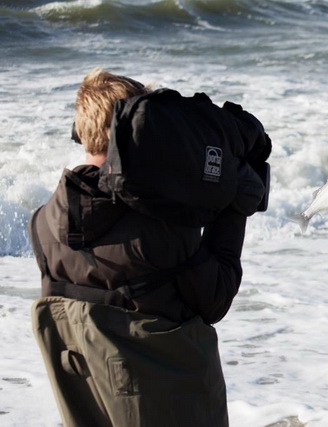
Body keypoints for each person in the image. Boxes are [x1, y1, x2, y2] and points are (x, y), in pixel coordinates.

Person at [29, 69, 265, 426]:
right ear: (138, 130)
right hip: (166, 400)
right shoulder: (160, 228)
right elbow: (215, 300)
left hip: (90, 402)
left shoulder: (43, 222)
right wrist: (234, 203)